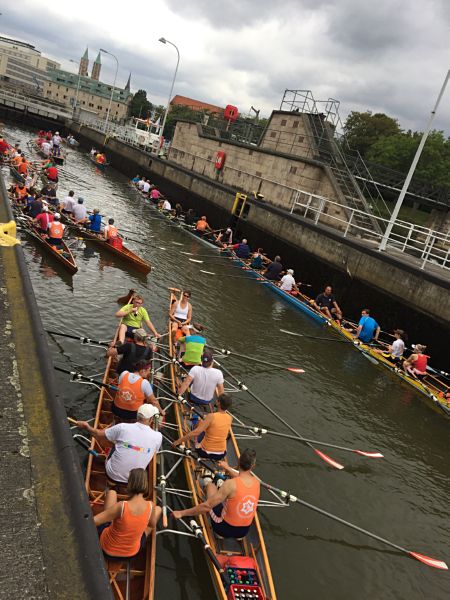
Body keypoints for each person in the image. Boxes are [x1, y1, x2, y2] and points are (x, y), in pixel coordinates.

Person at [173, 448, 260, 539]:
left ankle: (207, 482)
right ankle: (238, 536)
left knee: (211, 486)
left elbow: (206, 506)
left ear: (239, 461)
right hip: (243, 532)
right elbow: (241, 478)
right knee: (228, 498)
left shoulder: (230, 484)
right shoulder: (257, 482)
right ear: (253, 466)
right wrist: (227, 468)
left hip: (223, 529)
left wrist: (181, 513)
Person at [76, 404, 162, 485]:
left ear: (137, 416)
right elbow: (153, 453)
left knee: (117, 443)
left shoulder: (122, 427)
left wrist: (87, 427)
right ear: (151, 419)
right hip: (135, 481)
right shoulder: (158, 436)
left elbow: (98, 435)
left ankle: (110, 484)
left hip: (112, 475)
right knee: (139, 449)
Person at [93, 467, 162, 559]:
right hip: (131, 555)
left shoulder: (121, 506)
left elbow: (94, 521)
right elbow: (152, 524)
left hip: (106, 550)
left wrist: (114, 519)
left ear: (129, 484)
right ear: (145, 485)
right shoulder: (150, 505)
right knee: (158, 509)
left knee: (112, 493)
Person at [172, 393, 233, 460]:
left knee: (199, 422)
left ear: (218, 403)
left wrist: (178, 441)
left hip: (204, 452)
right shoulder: (230, 418)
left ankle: (195, 440)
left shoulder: (211, 416)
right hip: (221, 454)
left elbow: (196, 432)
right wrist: (207, 419)